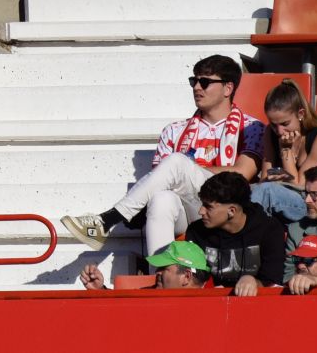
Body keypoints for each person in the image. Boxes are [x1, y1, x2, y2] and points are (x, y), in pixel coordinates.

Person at [62, 55, 263, 254]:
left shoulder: (250, 127)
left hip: (229, 208)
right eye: (194, 81)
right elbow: (161, 181)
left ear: (228, 88)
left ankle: (107, 220)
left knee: (176, 162)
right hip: (191, 208)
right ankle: (162, 276)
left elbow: (241, 174)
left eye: (205, 82)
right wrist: (185, 171)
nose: (196, 88)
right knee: (161, 200)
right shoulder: (173, 131)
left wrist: (188, 169)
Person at [249, 78, 317, 221]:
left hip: (314, 202)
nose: (279, 131)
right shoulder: (270, 133)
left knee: (267, 192)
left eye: (285, 123)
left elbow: (300, 186)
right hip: (282, 195)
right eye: (273, 124)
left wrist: (286, 151)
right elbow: (265, 178)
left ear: (301, 114)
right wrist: (277, 174)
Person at [185, 171, 286, 294]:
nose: (201, 211)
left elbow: (273, 282)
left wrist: (253, 282)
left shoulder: (269, 230)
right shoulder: (196, 232)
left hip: (257, 302)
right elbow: (193, 279)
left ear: (231, 211)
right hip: (212, 302)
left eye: (208, 207)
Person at [78, 240, 211, 291]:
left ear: (187, 276)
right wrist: (100, 290)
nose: (157, 272)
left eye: (164, 268)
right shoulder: (146, 296)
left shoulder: (212, 309)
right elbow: (121, 309)